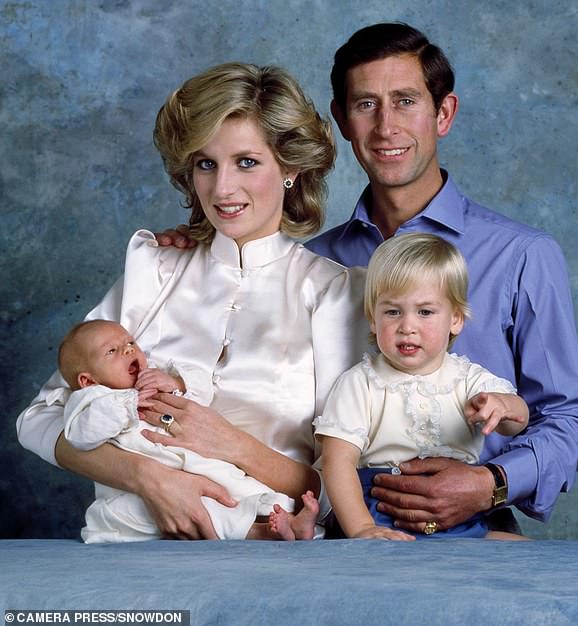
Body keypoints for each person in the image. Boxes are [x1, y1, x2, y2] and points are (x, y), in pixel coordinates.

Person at [151, 23, 578, 535]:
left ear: (444, 113)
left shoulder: (522, 256)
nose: (386, 127)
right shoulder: (315, 265)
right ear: (342, 120)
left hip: (475, 531)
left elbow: (571, 419)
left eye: (406, 101)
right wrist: (195, 252)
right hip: (339, 531)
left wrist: (490, 482)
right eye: (366, 105)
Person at [17, 62, 366, 540]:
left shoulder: (335, 293)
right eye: (206, 163)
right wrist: (148, 478)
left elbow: (343, 492)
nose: (222, 189)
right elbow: (39, 419)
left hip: (274, 554)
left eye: (246, 161)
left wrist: (233, 445)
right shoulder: (154, 269)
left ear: (290, 167)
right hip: (138, 552)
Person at [314, 233, 528, 540]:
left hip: (460, 509)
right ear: (373, 319)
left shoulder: (468, 378)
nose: (407, 326)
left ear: (455, 319)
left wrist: (504, 407)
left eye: (425, 312)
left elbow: (516, 422)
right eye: (392, 311)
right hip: (380, 509)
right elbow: (338, 462)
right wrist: (362, 528)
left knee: (528, 554)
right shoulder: (361, 382)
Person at [57, 319, 318, 542]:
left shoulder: (154, 375)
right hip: (141, 495)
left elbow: (204, 388)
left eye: (131, 343)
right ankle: (264, 533)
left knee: (238, 486)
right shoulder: (89, 401)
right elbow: (81, 435)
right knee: (205, 509)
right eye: (112, 351)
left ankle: (289, 516)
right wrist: (129, 402)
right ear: (87, 380)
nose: (128, 350)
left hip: (194, 464)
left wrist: (175, 383)